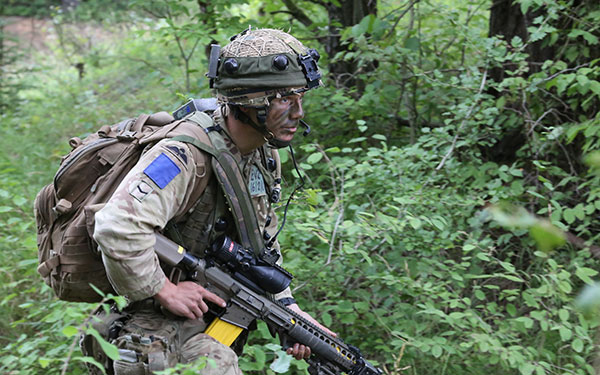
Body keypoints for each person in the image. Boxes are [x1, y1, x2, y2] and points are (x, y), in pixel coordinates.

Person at [83, 27, 335, 375]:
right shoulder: (183, 156)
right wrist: (164, 289)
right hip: (152, 324)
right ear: (250, 100)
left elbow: (261, 242)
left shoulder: (262, 153)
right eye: (284, 99)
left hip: (205, 314)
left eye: (300, 97)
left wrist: (288, 310)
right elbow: (115, 224)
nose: (297, 111)